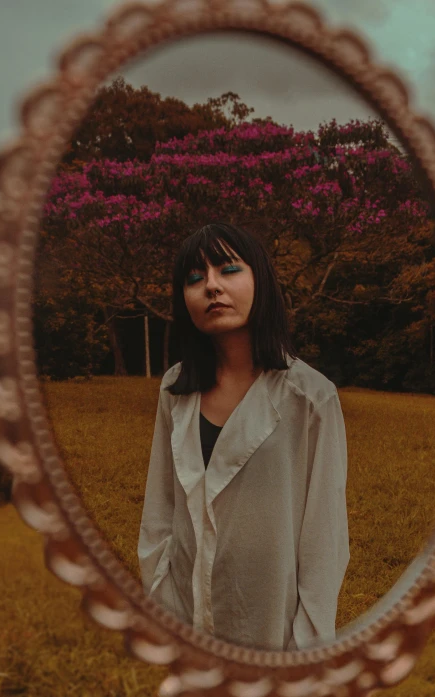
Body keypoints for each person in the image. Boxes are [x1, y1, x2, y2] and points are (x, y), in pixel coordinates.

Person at [138, 222, 349, 651]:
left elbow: (324, 541)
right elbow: (159, 510)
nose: (211, 286)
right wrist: (160, 596)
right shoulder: (174, 389)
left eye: (228, 269)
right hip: (183, 618)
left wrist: (306, 645)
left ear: (261, 281)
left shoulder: (311, 397)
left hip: (272, 630)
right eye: (194, 279)